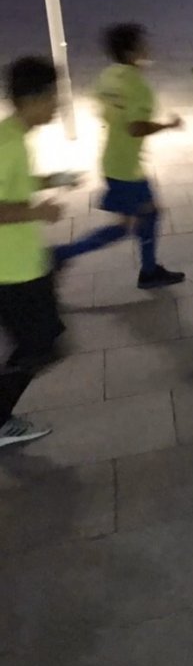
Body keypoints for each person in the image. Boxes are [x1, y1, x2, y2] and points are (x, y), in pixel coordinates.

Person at [53, 23, 184, 288]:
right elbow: (135, 128)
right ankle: (62, 254)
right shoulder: (137, 85)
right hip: (127, 168)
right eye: (142, 43)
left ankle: (148, 270)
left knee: (139, 219)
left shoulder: (107, 77)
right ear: (131, 51)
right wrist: (168, 125)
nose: (148, 47)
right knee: (137, 221)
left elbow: (103, 112)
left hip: (111, 160)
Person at [0, 58, 70, 447]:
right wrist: (38, 212)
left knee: (43, 342)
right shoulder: (8, 143)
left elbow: (17, 184)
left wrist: (54, 178)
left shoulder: (14, 134)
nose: (57, 104)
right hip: (12, 271)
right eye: (53, 97)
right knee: (40, 345)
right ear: (32, 99)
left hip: (25, 263)